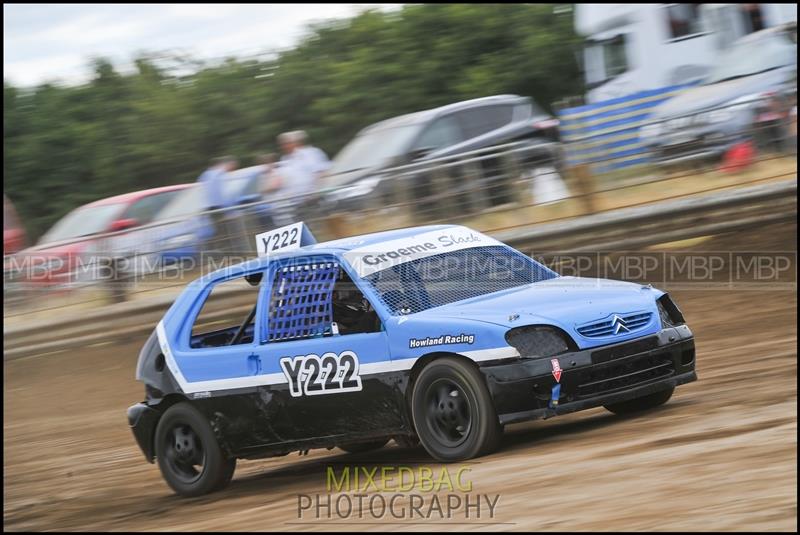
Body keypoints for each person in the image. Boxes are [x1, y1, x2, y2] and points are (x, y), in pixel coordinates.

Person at [196, 156, 239, 258]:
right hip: (219, 208)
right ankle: (228, 256)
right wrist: (229, 211)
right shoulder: (221, 174)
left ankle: (217, 255)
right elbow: (223, 194)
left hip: (208, 209)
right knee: (225, 233)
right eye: (232, 167)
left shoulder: (205, 175)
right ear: (228, 164)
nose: (232, 170)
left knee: (215, 233)